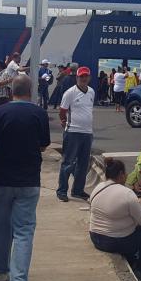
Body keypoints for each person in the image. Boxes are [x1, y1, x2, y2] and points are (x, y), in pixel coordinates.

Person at [0, 75, 51, 281]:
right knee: (23, 231)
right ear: (31, 92)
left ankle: (2, 271)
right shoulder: (39, 113)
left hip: (2, 180)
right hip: (29, 181)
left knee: (3, 226)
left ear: (12, 91)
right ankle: (19, 279)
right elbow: (43, 145)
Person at [89, 158, 141, 281]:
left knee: (130, 229)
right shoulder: (127, 194)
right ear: (121, 174)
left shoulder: (98, 187)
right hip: (113, 242)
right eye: (125, 173)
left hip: (95, 237)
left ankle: (132, 259)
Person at [56, 66, 95, 202]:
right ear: (77, 78)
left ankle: (78, 190)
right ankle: (61, 191)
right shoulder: (70, 93)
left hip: (87, 133)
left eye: (86, 76)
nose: (84, 79)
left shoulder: (91, 92)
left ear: (89, 77)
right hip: (73, 132)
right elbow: (62, 111)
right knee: (68, 162)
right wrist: (63, 121)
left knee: (83, 164)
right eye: (81, 76)